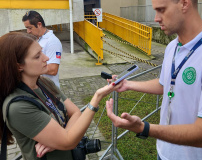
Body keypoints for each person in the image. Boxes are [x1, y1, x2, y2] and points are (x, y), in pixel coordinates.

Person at [106, 0, 202, 160]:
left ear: (184, 3)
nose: (156, 18)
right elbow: (166, 84)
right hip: (165, 153)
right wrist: (128, 84)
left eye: (161, 10)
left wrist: (143, 128)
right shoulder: (173, 46)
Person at [0, 32, 117, 160]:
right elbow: (68, 141)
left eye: (42, 52)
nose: (46, 58)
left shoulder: (44, 83)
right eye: (37, 56)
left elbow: (76, 113)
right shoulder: (18, 107)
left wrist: (58, 140)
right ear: (19, 66)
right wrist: (96, 98)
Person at [22, 11, 62, 88]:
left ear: (39, 24)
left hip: (49, 90)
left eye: (30, 28)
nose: (28, 31)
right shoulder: (36, 39)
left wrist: (26, 68)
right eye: (27, 28)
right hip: (38, 88)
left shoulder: (52, 41)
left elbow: (53, 69)